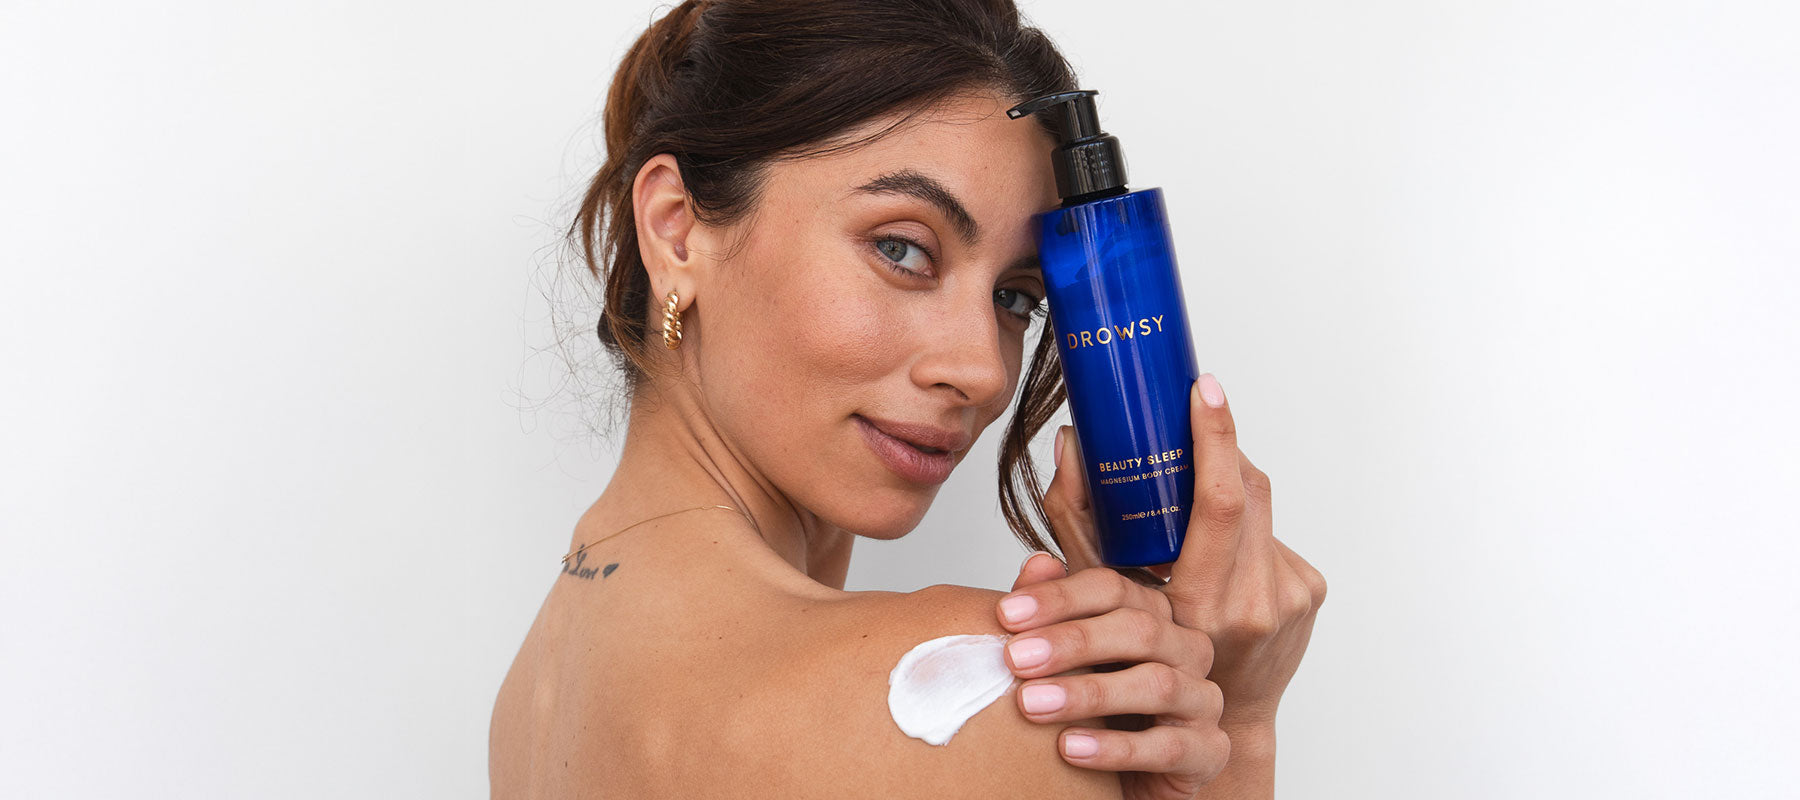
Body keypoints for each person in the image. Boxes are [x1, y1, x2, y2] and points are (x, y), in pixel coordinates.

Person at [488, 1, 1327, 797]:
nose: (985, 373)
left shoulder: (537, 690)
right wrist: (1237, 732)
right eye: (903, 248)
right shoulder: (985, 695)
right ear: (677, 228)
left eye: (1016, 299)